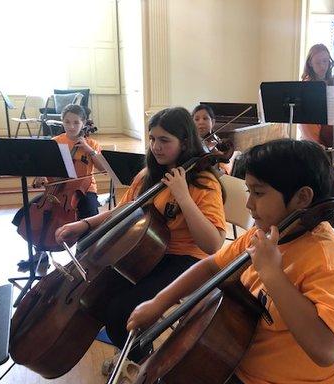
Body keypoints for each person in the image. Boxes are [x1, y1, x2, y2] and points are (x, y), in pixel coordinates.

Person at [127, 139, 334, 384]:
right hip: (232, 356)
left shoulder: (328, 263)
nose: (249, 205)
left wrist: (272, 274)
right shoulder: (266, 233)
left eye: (258, 193)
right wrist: (159, 302)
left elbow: (325, 350)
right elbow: (210, 266)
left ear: (302, 198)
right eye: (249, 191)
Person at [55, 107, 227, 363]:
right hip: (145, 252)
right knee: (103, 296)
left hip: (186, 259)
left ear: (185, 142)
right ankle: (133, 354)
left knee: (122, 313)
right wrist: (86, 225)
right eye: (153, 139)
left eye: (164, 140)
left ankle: (139, 366)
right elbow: (125, 209)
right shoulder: (149, 174)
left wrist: (182, 194)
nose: (156, 147)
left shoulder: (203, 182)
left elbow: (213, 244)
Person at [12, 104, 103, 271]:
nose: (71, 126)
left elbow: (103, 169)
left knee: (90, 217)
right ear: (62, 122)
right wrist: (41, 176)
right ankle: (40, 254)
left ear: (83, 123)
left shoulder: (92, 143)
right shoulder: (55, 142)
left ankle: (84, 258)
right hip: (56, 189)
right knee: (27, 214)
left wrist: (88, 149)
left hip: (84, 190)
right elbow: (45, 167)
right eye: (67, 122)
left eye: (76, 122)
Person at [192, 104, 241, 175]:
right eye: (196, 119)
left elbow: (223, 162)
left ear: (213, 122)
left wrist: (217, 155)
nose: (201, 122)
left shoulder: (215, 143)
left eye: (205, 118)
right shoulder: (191, 142)